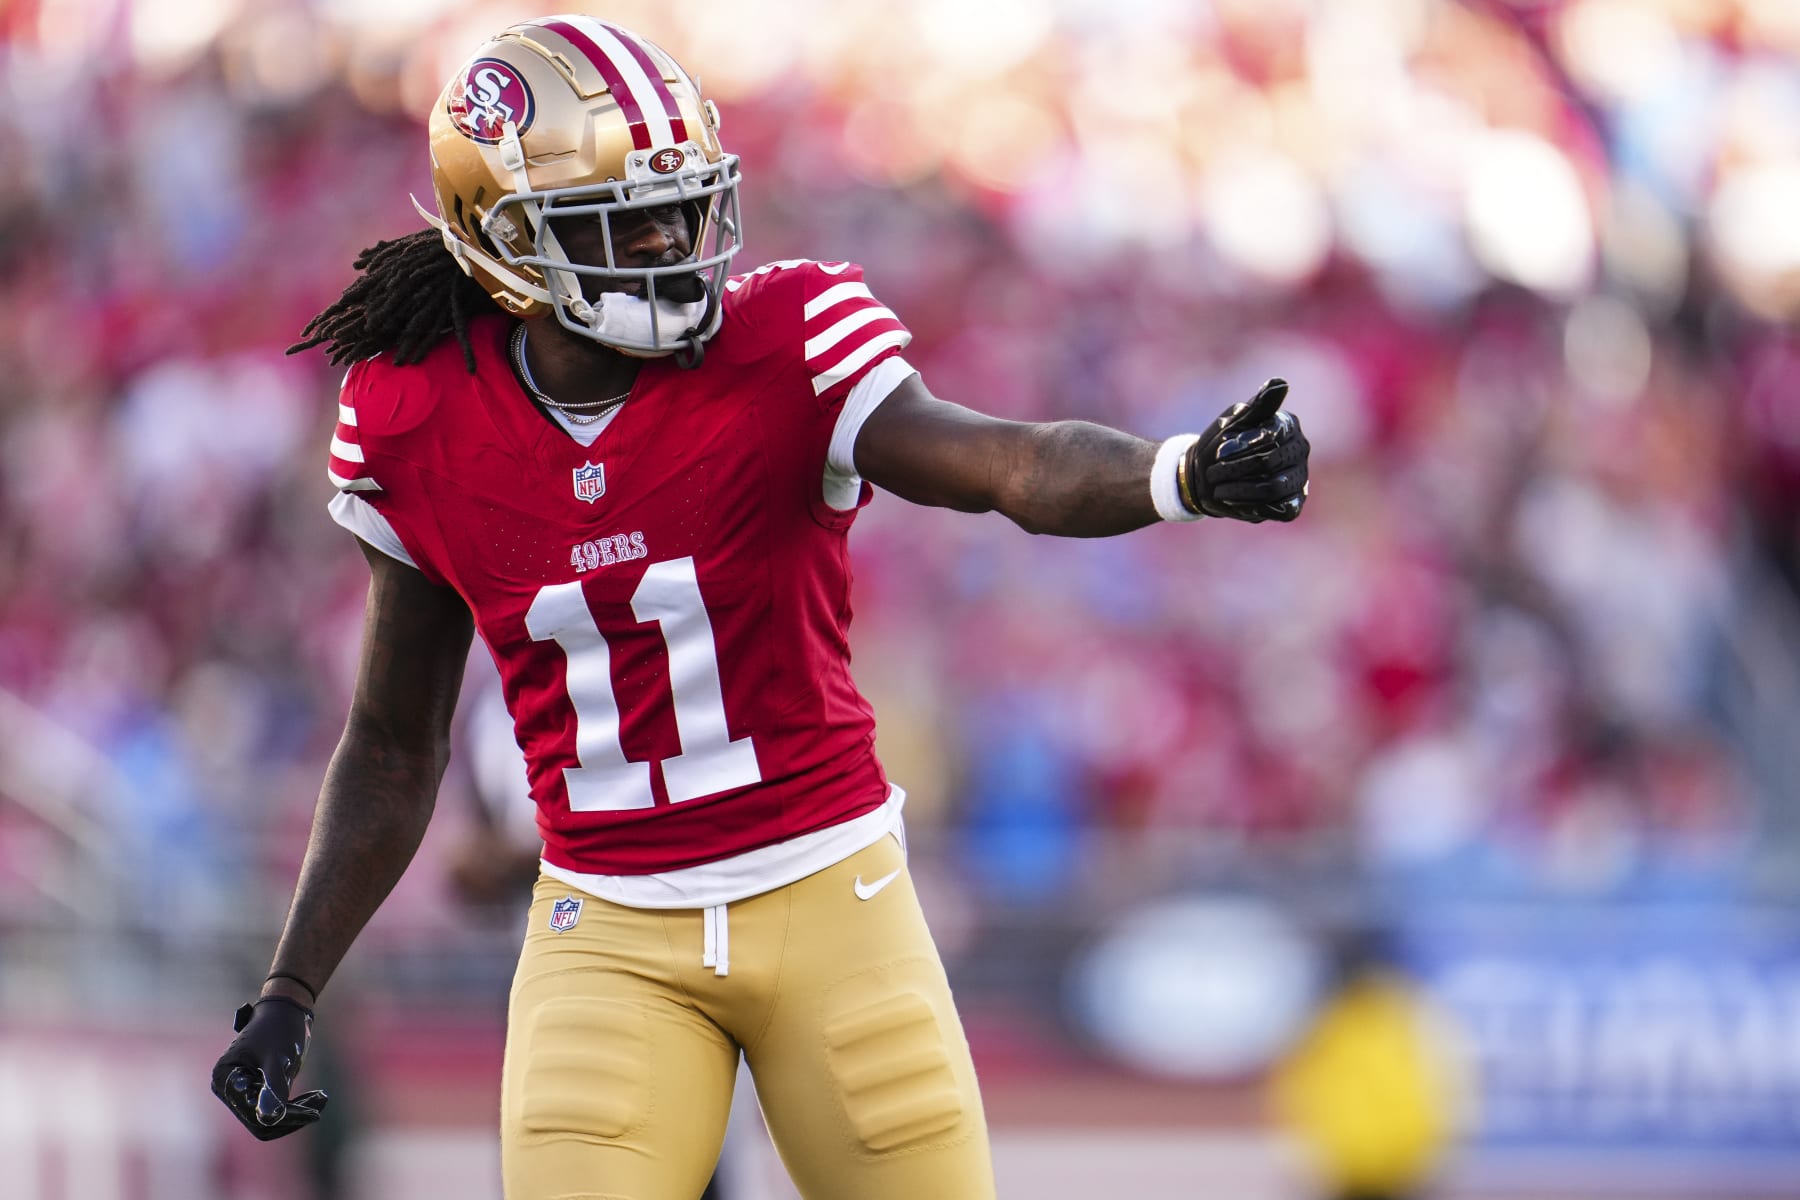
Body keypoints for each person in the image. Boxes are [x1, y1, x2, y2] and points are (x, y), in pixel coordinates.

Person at [209, 15, 1309, 1200]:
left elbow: (1008, 465)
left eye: (685, 206)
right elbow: (390, 743)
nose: (677, 245)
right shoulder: (418, 416)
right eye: (630, 219)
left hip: (831, 895)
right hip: (611, 930)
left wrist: (1175, 473)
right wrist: (291, 986)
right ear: (513, 244)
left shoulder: (785, 340)